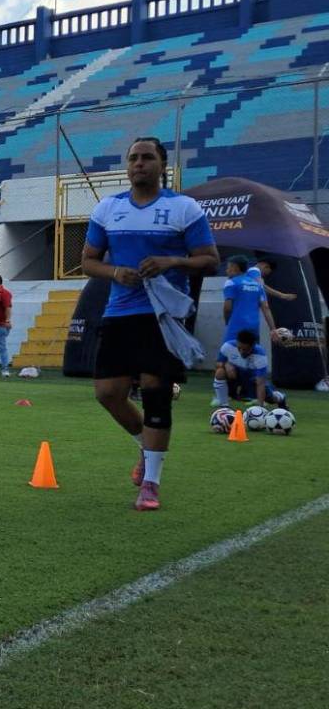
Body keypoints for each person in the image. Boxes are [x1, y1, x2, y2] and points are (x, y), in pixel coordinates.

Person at [80, 136, 219, 511]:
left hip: (163, 315)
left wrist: (171, 262)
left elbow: (209, 259)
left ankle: (151, 484)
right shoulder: (108, 208)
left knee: (157, 389)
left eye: (147, 157)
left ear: (162, 165)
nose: (138, 163)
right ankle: (146, 444)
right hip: (120, 312)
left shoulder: (184, 208)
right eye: (133, 158)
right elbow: (88, 261)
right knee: (108, 393)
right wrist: (114, 272)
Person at [213, 328, 286, 409]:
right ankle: (224, 407)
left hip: (252, 381)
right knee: (220, 372)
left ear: (253, 346)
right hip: (235, 378)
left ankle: (280, 397)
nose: (241, 352)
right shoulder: (227, 346)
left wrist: (260, 408)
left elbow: (260, 383)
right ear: (237, 342)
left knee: (270, 398)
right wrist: (226, 364)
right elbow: (217, 364)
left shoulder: (260, 355)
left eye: (245, 349)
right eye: (239, 348)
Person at [222, 254, 279, 346]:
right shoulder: (258, 285)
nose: (226, 271)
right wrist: (273, 329)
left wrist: (227, 322)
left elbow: (227, 308)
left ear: (235, 268)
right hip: (253, 327)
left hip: (236, 326)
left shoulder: (231, 282)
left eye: (228, 268)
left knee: (225, 356)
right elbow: (266, 308)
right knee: (252, 356)